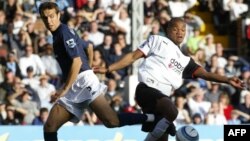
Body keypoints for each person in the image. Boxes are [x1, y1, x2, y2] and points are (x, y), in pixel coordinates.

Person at [94, 17, 245, 141]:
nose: (180, 32)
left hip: (161, 100)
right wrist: (109, 69)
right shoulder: (157, 41)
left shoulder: (185, 60)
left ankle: (151, 119)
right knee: (172, 111)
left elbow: (205, 74)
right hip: (147, 90)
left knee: (162, 134)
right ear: (167, 30)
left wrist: (227, 79)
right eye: (176, 29)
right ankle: (155, 119)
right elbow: (133, 57)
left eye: (183, 30)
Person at [38, 2, 156, 141]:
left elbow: (77, 62)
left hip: (82, 82)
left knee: (112, 122)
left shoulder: (63, 33)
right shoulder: (61, 33)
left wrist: (66, 87)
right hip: (76, 83)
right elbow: (89, 46)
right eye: (45, 18)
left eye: (52, 16)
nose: (49, 20)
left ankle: (153, 118)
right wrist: (90, 66)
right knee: (50, 126)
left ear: (59, 15)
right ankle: (152, 119)